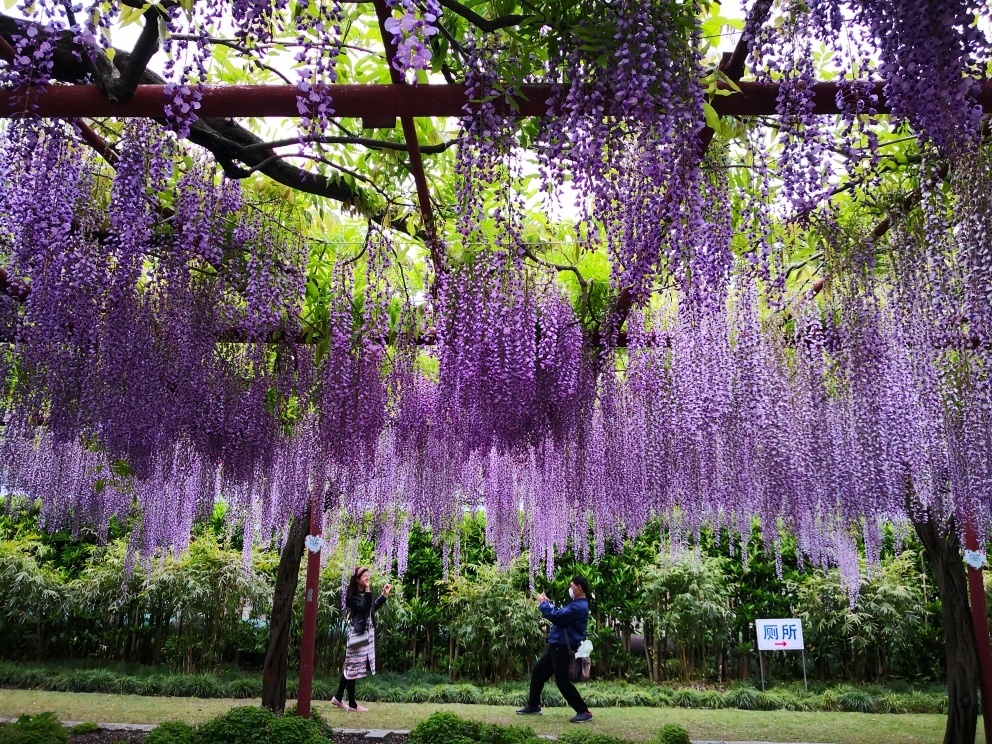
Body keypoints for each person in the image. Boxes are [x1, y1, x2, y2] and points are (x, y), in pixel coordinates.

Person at [516, 575, 593, 723]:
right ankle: (533, 705)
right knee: (538, 672)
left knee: (562, 681)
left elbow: (557, 617)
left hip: (562, 647)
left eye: (572, 586)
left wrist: (543, 604)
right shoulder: (575, 604)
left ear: (579, 588)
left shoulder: (578, 606)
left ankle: (584, 711)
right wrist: (547, 604)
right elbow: (559, 615)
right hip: (556, 645)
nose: (570, 589)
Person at [330, 566, 392, 712]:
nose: (367, 577)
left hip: (367, 634)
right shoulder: (352, 597)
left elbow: (371, 609)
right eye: (363, 575)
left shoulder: (366, 594)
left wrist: (384, 595)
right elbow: (364, 608)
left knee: (354, 666)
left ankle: (339, 698)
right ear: (357, 580)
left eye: (367, 574)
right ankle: (350, 703)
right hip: (357, 634)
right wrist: (369, 590)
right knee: (353, 667)